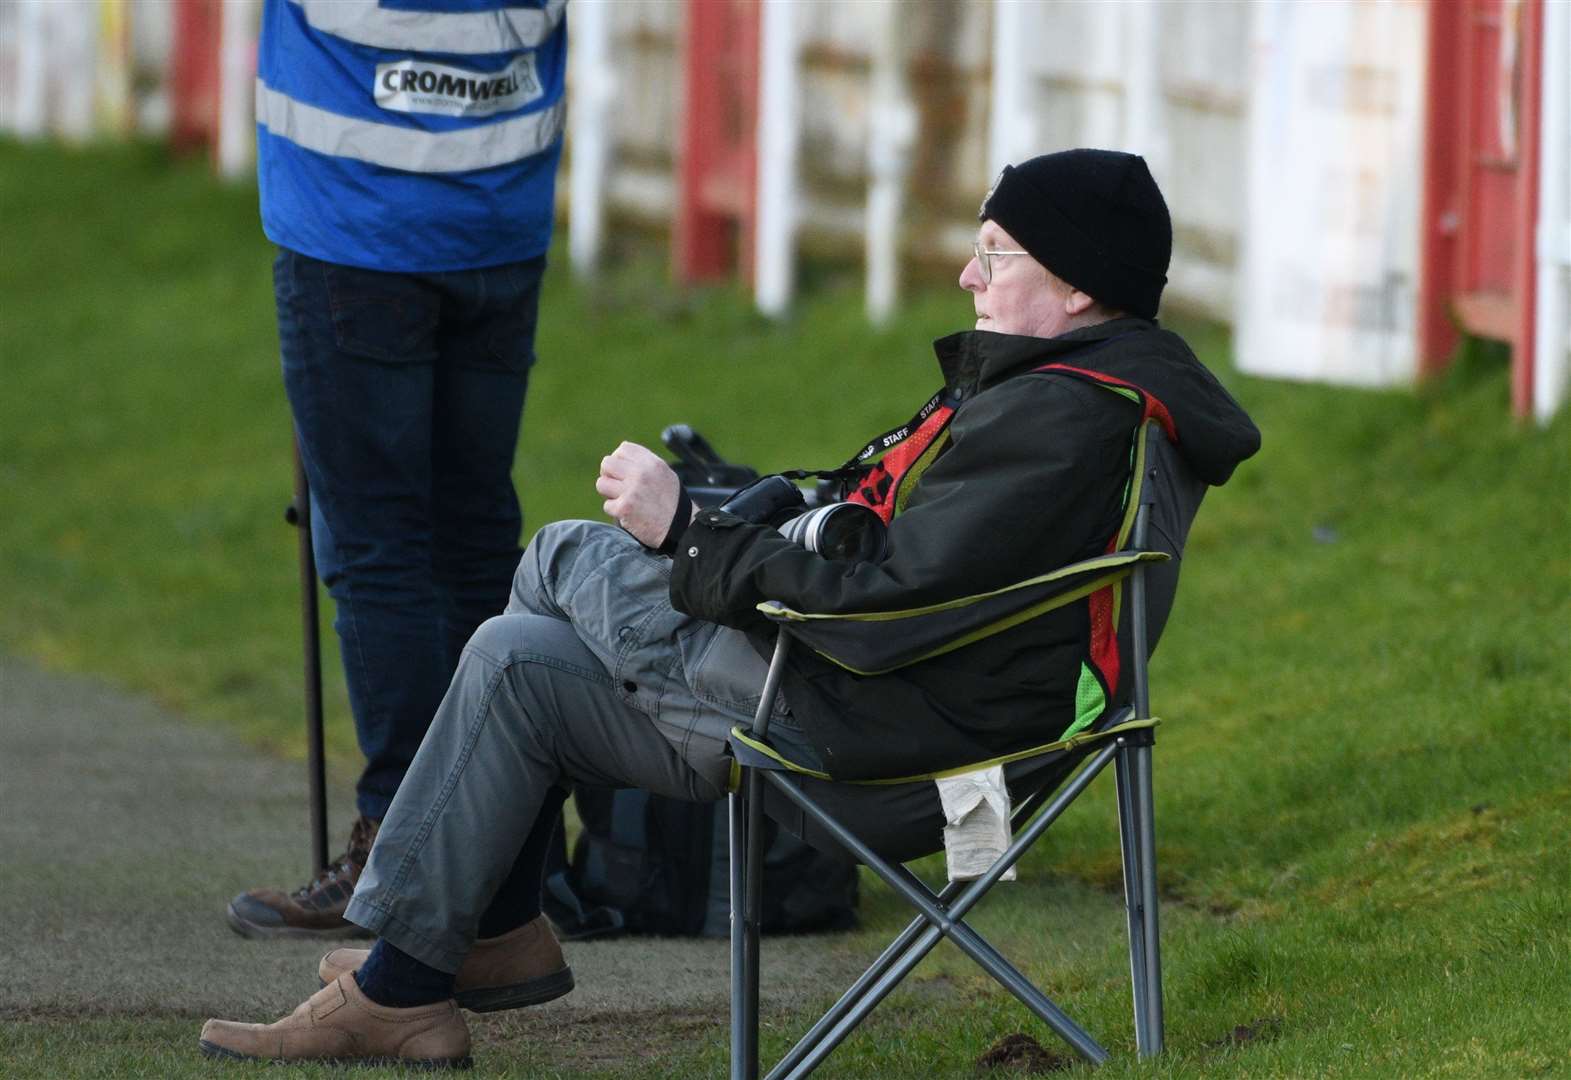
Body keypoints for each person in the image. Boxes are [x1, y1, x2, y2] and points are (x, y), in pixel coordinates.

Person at [199, 149, 1261, 1067]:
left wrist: (689, 536)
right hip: (889, 702)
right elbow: (911, 566)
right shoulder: (1074, 392)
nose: (964, 272)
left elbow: (885, 609)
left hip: (880, 740)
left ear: (1076, 286)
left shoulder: (1061, 415)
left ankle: (458, 935)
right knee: (514, 658)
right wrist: (757, 528)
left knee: (563, 553)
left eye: (995, 252)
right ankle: (427, 972)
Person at [225, 0, 569, 940]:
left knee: (382, 546)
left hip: (355, 224)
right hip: (500, 215)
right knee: (470, 542)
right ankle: (503, 858)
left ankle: (400, 851)